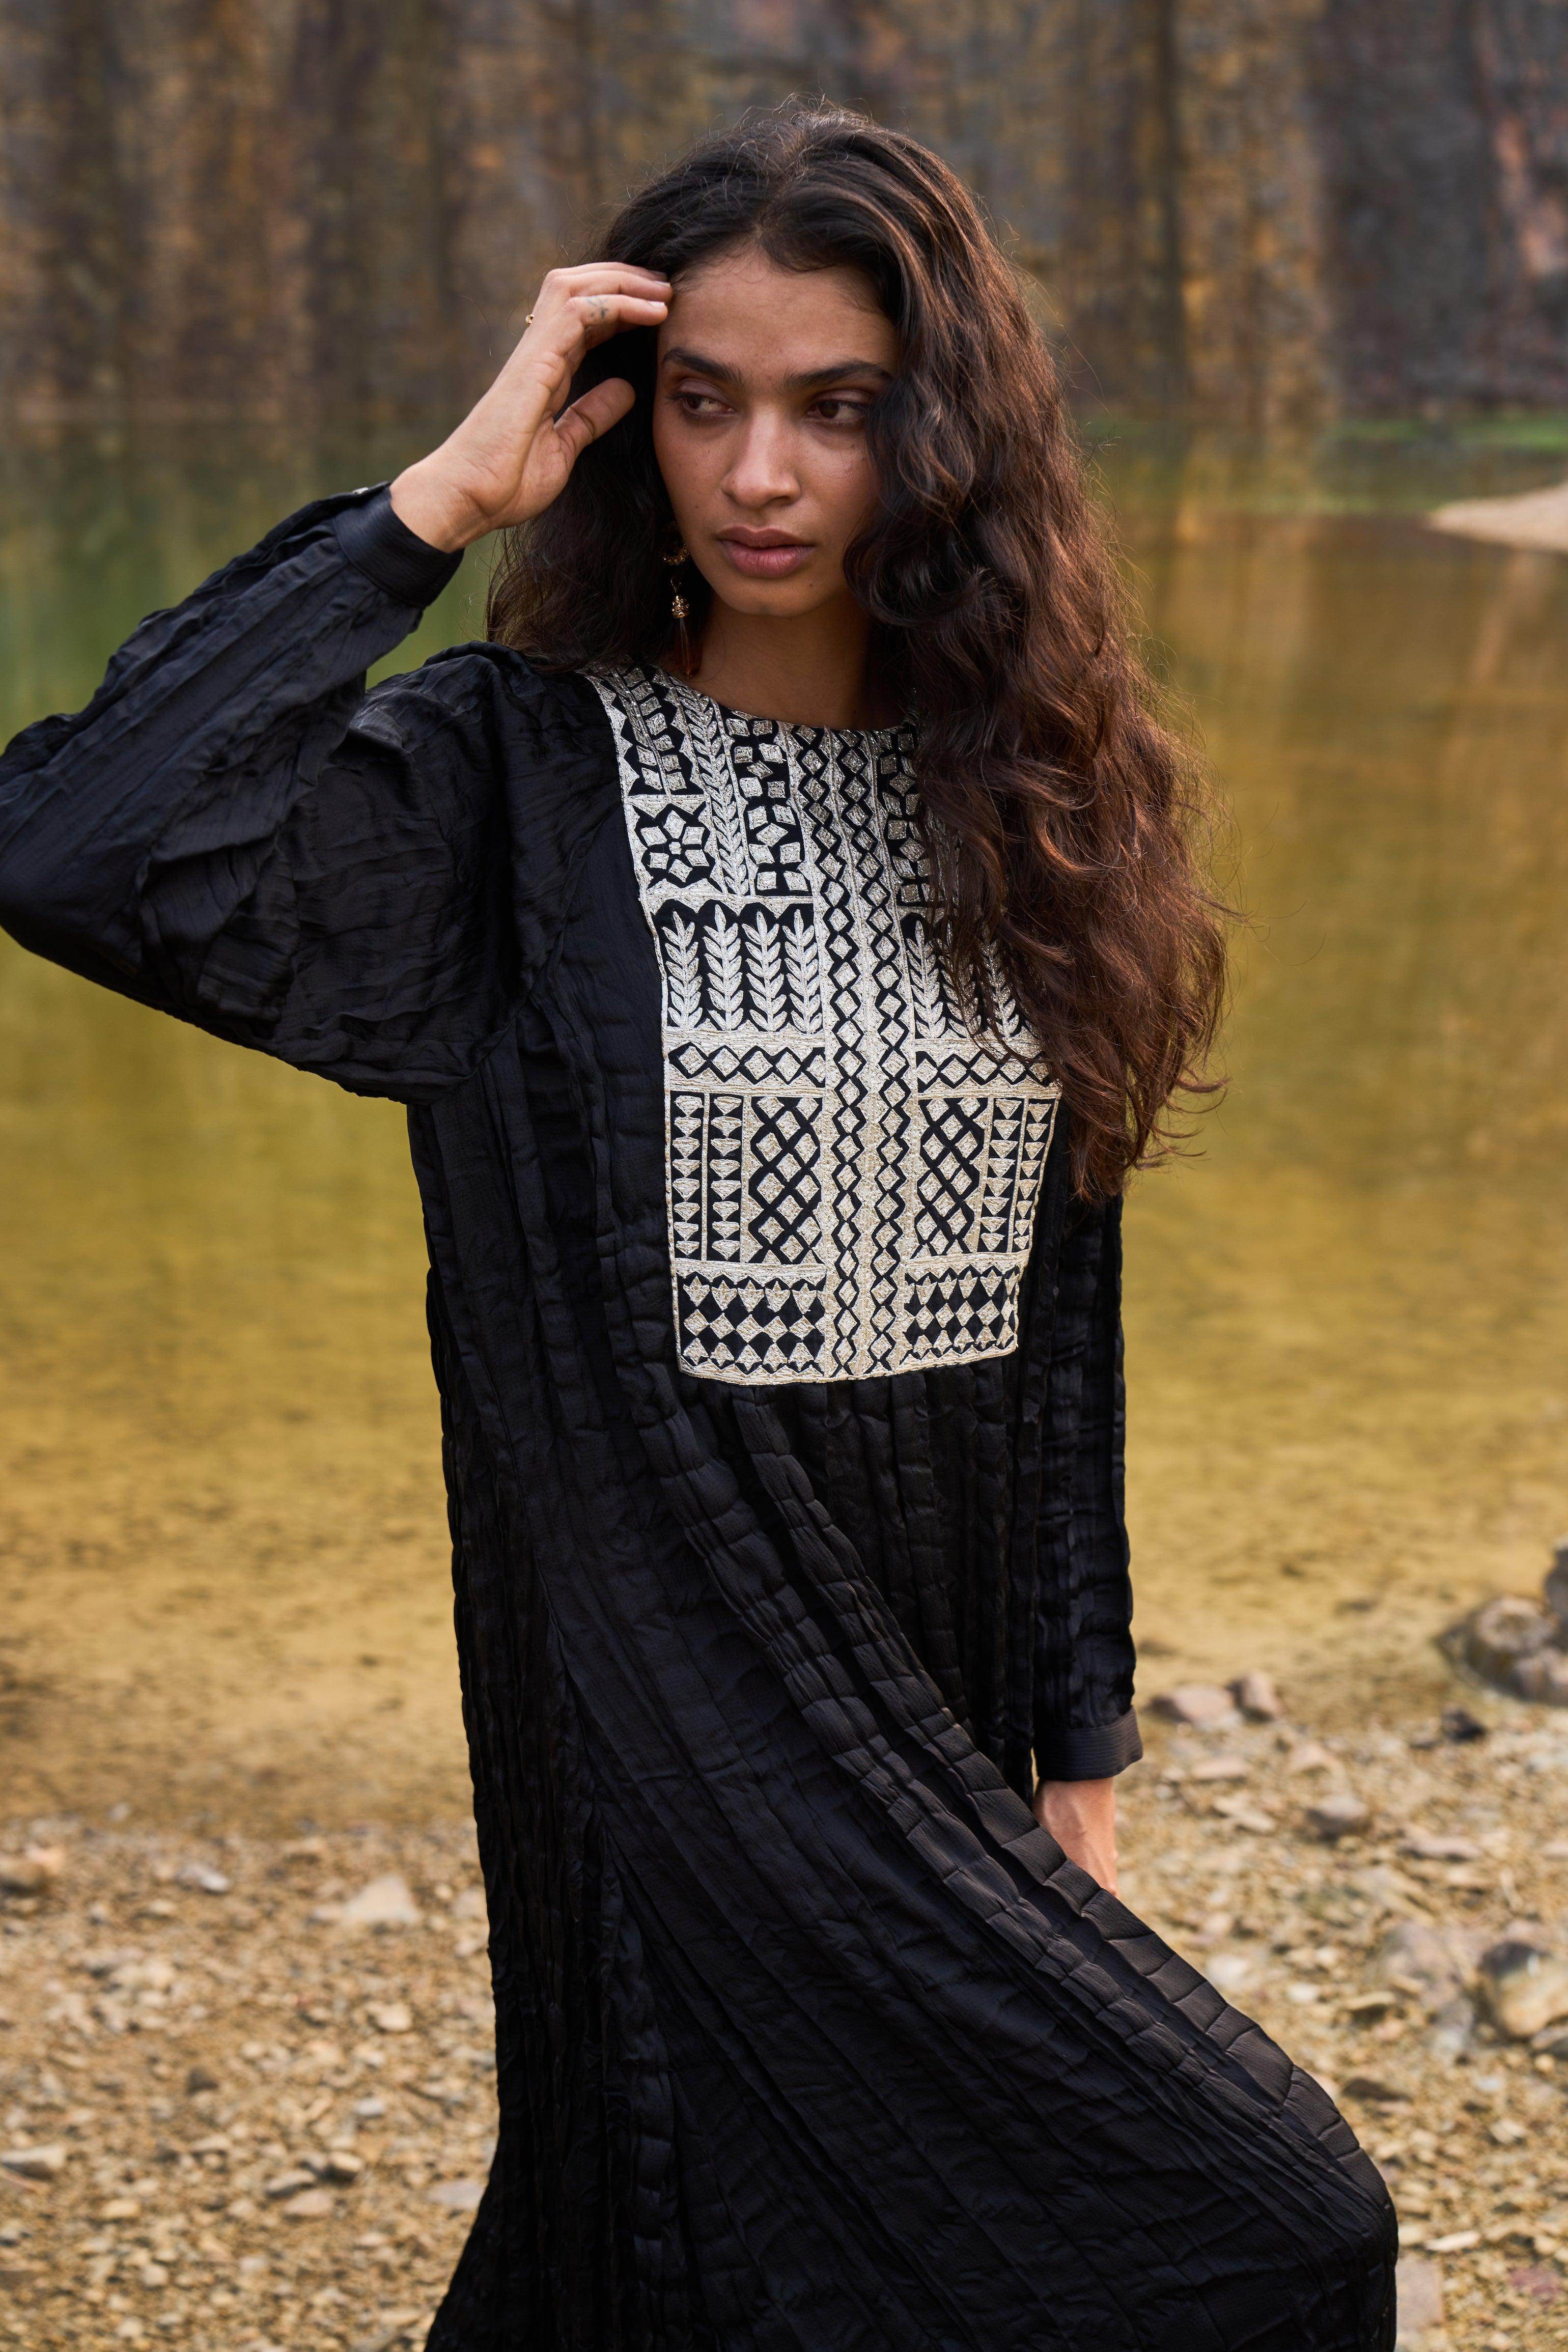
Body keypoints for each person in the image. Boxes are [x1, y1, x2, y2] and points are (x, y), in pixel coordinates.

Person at [0, 102, 1395, 2352]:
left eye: (837, 409)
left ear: (941, 439)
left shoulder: (1028, 809)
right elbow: (75, 847)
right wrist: (430, 506)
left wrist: (1080, 1748)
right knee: (1246, 2220)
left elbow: (1060, 1328)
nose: (761, 473)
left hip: (936, 1680)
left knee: (832, 2253)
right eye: (704, 401)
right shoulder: (505, 787)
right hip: (658, 1683)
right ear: (622, 421)